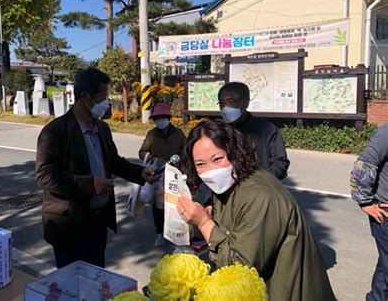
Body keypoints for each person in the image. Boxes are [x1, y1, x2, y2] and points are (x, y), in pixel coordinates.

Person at [177, 121, 335, 300]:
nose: (211, 171)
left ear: (235, 153)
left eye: (218, 159)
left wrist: (204, 222)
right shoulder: (230, 185)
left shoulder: (260, 194)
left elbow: (239, 266)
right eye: (200, 164)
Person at [36, 68, 156, 269]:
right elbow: (45, 176)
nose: (106, 102)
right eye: (102, 96)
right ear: (85, 97)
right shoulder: (56, 131)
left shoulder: (102, 128)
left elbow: (114, 161)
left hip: (98, 222)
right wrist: (91, 184)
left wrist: (139, 173)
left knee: (97, 280)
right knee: (73, 286)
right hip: (69, 225)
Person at [218, 82, 289, 179]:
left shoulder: (267, 129)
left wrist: (261, 180)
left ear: (246, 102)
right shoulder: (216, 131)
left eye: (231, 103)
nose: (226, 107)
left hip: (260, 188)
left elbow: (280, 162)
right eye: (222, 103)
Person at [138, 102, 186, 246]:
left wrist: (181, 163)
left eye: (162, 117)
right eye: (157, 118)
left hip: (176, 175)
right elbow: (142, 152)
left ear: (168, 117)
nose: (160, 120)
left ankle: (176, 232)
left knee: (177, 205)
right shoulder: (151, 134)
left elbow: (186, 151)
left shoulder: (179, 133)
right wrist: (151, 157)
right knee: (158, 207)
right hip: (158, 176)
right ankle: (160, 232)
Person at [350, 123, 388, 301]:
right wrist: (366, 202)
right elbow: (364, 164)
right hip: (385, 214)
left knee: (386, 265)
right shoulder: (386, 133)